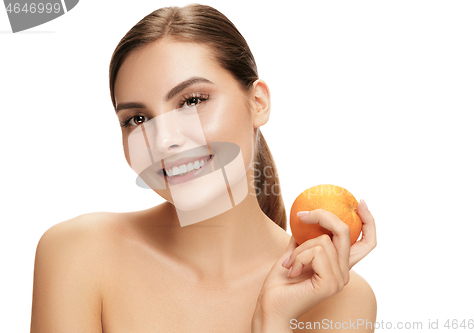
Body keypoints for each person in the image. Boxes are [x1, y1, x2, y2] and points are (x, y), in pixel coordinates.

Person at [30, 4, 377, 332]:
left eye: (192, 101)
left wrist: (273, 320)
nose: (163, 140)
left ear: (257, 103)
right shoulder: (78, 254)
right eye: (137, 119)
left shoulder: (337, 295)